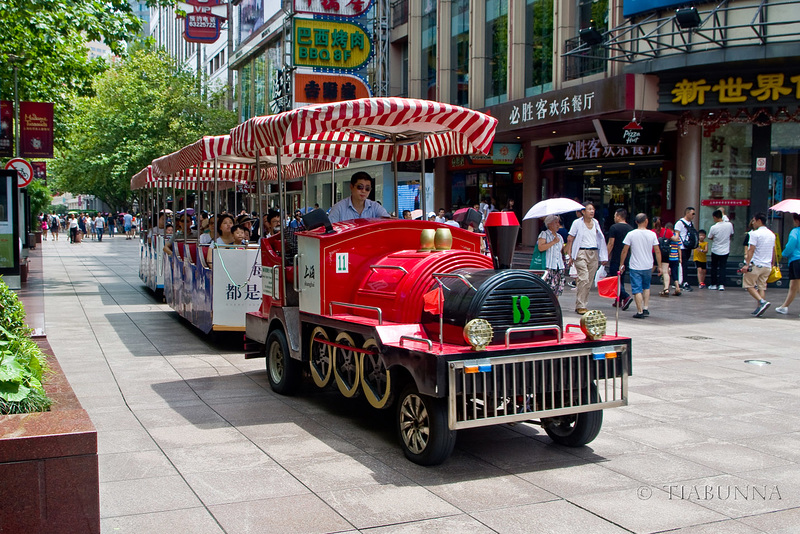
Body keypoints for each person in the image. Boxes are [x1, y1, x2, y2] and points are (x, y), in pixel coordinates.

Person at [566, 201, 608, 315]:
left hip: (593, 253)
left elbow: (600, 239)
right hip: (581, 252)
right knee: (583, 278)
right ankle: (581, 305)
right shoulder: (577, 223)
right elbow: (570, 238)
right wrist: (569, 255)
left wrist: (603, 256)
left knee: (588, 281)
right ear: (583, 212)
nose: (592, 211)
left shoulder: (596, 223)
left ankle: (582, 303)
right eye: (589, 209)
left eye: (593, 209)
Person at [619, 213, 662, 318]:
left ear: (636, 222)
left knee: (637, 289)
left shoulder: (631, 234)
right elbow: (657, 251)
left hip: (635, 265)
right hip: (648, 265)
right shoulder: (652, 234)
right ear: (646, 221)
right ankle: (646, 307)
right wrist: (659, 266)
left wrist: (621, 264)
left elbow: (625, 251)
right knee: (646, 287)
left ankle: (639, 311)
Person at [743, 213, 775, 317]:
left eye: (754, 220)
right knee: (761, 287)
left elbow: (751, 250)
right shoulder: (772, 234)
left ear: (759, 221)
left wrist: (747, 264)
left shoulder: (754, 234)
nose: (753, 223)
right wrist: (772, 263)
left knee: (748, 285)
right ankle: (760, 308)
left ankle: (762, 302)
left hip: (756, 264)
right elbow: (773, 251)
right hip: (767, 265)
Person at [606, 208, 633, 310]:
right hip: (626, 258)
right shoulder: (630, 228)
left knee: (615, 279)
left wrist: (606, 255)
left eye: (614, 216)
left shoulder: (614, 228)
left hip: (616, 257)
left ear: (618, 216)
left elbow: (611, 243)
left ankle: (625, 296)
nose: (614, 218)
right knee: (620, 279)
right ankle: (618, 300)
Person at [776, 213, 800, 315]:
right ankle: (784, 306)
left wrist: (784, 253)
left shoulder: (795, 231)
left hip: (796, 260)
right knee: (794, 285)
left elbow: (791, 243)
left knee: (796, 285)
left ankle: (784, 307)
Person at [706, 209, 734, 290]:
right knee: (723, 267)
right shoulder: (729, 225)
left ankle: (713, 284)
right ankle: (721, 284)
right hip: (725, 250)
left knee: (714, 267)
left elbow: (710, 237)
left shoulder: (714, 227)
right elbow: (731, 234)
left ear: (715, 217)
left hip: (715, 250)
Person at [538, 215, 566, 295]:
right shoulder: (544, 234)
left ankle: (555, 306)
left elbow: (562, 251)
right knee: (549, 289)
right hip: (549, 266)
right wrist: (553, 242)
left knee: (558, 289)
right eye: (556, 222)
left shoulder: (559, 236)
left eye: (558, 222)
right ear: (549, 224)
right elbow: (541, 247)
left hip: (559, 266)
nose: (558, 225)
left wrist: (569, 242)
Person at [673, 206, 697, 291]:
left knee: (685, 265)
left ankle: (683, 281)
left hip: (687, 247)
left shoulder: (690, 224)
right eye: (692, 213)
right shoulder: (680, 223)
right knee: (683, 265)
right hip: (681, 247)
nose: (693, 215)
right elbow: (677, 235)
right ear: (687, 213)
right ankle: (682, 282)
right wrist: (678, 246)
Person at [653, 218, 673, 296]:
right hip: (665, 253)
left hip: (654, 252)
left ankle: (644, 286)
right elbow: (674, 238)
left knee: (650, 270)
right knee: (665, 271)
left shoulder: (652, 232)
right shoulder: (667, 231)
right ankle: (666, 289)